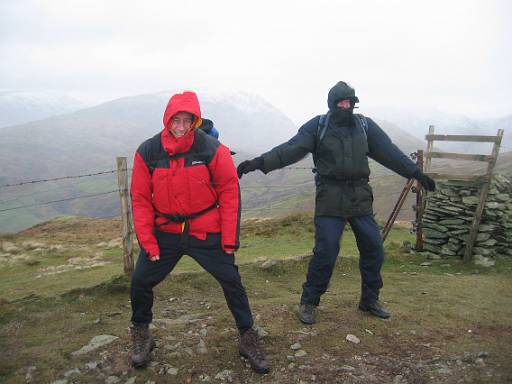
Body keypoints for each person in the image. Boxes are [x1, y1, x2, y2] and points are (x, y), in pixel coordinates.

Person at [237, 81, 435, 324]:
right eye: (341, 103)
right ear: (332, 104)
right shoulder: (318, 126)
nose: (346, 106)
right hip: (330, 196)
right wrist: (259, 163)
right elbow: (290, 150)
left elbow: (389, 152)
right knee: (326, 251)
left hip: (359, 196)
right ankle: (309, 301)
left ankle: (369, 299)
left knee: (374, 247)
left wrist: (416, 173)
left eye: (350, 103)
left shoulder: (364, 126)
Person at [129, 90, 269, 374]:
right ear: (167, 119)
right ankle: (142, 334)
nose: (180, 127)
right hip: (166, 232)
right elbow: (141, 199)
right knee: (140, 280)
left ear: (195, 121)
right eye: (175, 120)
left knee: (231, 280)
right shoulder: (148, 152)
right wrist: (148, 242)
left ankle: (247, 336)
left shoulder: (211, 149)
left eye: (186, 121)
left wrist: (229, 239)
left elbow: (229, 191)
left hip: (206, 232)